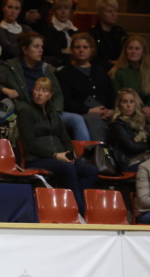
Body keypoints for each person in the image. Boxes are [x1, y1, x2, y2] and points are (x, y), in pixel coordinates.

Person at [0, 31, 91, 139]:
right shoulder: (11, 67)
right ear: (25, 49)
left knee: (77, 119)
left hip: (49, 112)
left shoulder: (45, 69)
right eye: (36, 47)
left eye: (41, 47)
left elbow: (57, 94)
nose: (41, 50)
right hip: (26, 113)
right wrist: (4, 90)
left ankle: (86, 151)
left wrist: (54, 111)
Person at [17, 77, 99, 215]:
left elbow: (65, 138)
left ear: (50, 95)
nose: (40, 94)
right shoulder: (26, 112)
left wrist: (70, 154)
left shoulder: (53, 113)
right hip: (37, 159)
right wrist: (55, 155)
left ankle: (73, 203)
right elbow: (29, 143)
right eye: (37, 89)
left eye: (44, 91)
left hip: (59, 158)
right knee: (67, 168)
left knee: (90, 171)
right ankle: (78, 210)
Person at [56, 33, 116, 142]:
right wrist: (89, 110)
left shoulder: (99, 70)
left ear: (91, 50)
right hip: (83, 112)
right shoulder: (64, 73)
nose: (81, 50)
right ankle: (99, 150)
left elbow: (111, 94)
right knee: (95, 121)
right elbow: (66, 101)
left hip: (106, 111)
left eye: (85, 47)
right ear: (72, 50)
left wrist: (110, 110)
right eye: (77, 47)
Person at [109, 35, 150, 124]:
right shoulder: (118, 72)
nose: (133, 52)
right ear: (125, 51)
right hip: (125, 115)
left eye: (137, 49)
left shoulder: (147, 74)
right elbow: (117, 99)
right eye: (130, 48)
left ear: (143, 52)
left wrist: (149, 108)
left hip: (144, 115)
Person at [107, 88, 150, 173]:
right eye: (124, 102)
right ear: (119, 105)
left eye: (131, 102)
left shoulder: (139, 122)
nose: (128, 105)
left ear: (135, 104)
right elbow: (133, 148)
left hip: (145, 158)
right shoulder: (117, 125)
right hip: (129, 163)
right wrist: (149, 146)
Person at [88, 0, 127, 65]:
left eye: (115, 11)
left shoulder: (120, 32)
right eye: (109, 11)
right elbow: (92, 57)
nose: (114, 14)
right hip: (100, 68)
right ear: (100, 13)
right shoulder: (92, 34)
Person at [41, 0, 77, 67]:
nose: (63, 12)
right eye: (59, 8)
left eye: (66, 8)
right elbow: (51, 51)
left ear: (70, 11)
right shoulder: (48, 30)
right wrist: (62, 51)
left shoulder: (75, 30)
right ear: (54, 11)